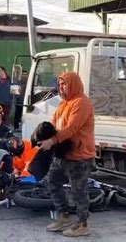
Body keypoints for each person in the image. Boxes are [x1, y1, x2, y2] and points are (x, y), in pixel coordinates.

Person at [38, 72, 95, 237]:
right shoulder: (63, 104)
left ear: (74, 85)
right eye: (59, 84)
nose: (61, 87)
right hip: (63, 154)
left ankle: (83, 224)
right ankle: (63, 217)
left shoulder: (81, 103)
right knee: (52, 182)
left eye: (64, 84)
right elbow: (55, 125)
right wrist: (43, 135)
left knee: (78, 191)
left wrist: (52, 141)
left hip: (80, 155)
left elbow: (71, 128)